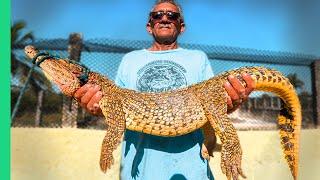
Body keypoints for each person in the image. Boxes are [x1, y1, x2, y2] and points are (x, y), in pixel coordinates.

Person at [74, 1, 255, 179]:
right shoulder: (129, 60)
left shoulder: (198, 59)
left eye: (172, 15)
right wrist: (96, 108)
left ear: (181, 26)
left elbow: (213, 107)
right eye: (157, 15)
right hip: (137, 172)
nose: (165, 19)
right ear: (149, 26)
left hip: (191, 171)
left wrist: (230, 105)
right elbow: (115, 111)